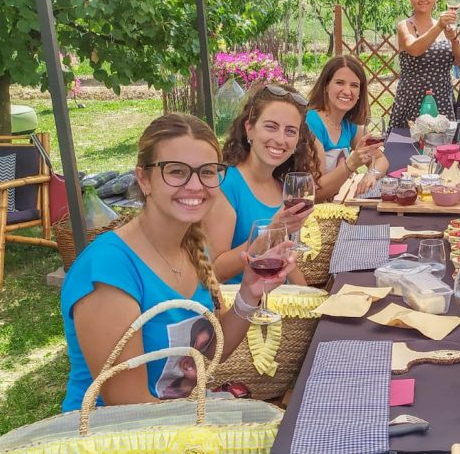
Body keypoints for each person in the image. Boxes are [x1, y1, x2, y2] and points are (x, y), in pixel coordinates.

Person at [60, 113, 296, 412]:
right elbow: (128, 407)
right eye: (176, 171)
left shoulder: (193, 247)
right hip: (116, 432)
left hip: (176, 419)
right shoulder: (108, 271)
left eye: (207, 172)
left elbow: (211, 351)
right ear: (144, 179)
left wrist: (249, 293)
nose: (195, 185)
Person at [207, 83, 318, 286]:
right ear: (249, 129)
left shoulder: (282, 187)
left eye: (290, 131)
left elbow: (288, 266)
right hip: (242, 308)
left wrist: (310, 299)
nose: (280, 139)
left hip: (279, 302)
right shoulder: (226, 185)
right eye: (271, 127)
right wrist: (269, 233)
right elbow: (216, 271)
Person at [389, 0, 460, 129]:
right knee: (407, 151)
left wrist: (453, 38)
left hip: (442, 99)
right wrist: (439, 26)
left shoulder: (444, 26)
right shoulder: (406, 25)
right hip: (412, 99)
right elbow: (414, 49)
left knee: (443, 151)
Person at [306, 56, 388, 196]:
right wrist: (351, 164)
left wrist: (371, 175)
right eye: (340, 83)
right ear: (326, 86)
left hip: (340, 205)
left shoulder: (348, 125)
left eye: (354, 85)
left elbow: (381, 159)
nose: (347, 91)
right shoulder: (312, 123)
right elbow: (313, 192)